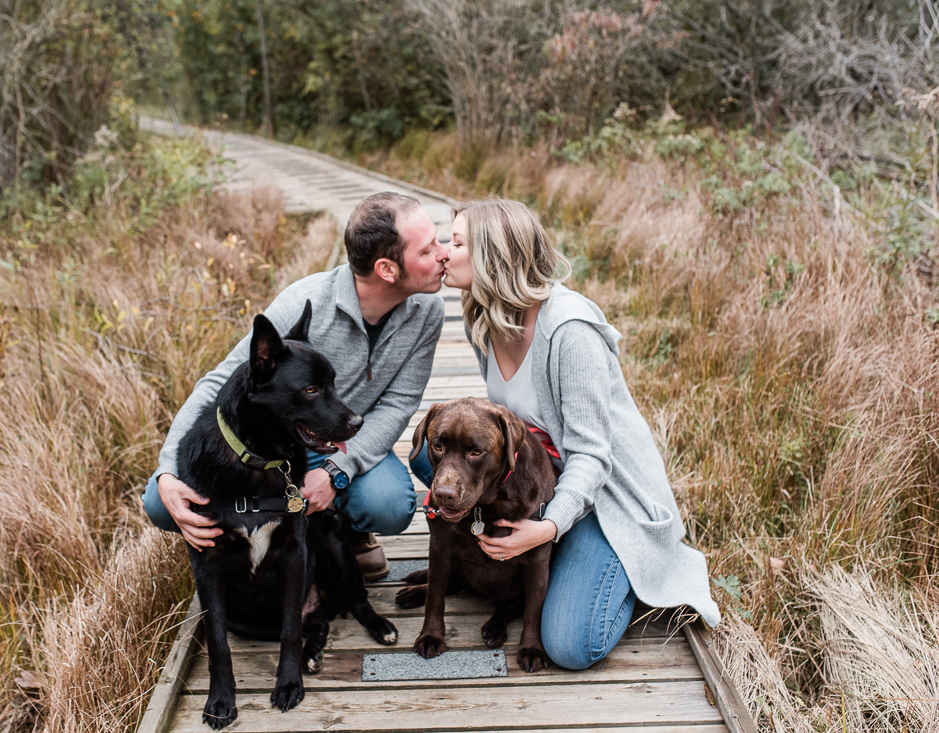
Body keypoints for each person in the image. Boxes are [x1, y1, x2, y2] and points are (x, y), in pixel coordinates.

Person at [410, 199, 720, 669]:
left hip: (606, 496)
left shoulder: (569, 331)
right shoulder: (485, 320)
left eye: (455, 243)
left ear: (493, 256)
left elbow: (593, 456)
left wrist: (548, 527)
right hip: (542, 471)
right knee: (426, 459)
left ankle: (620, 574)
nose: (443, 253)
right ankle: (491, 561)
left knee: (572, 645)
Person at [145, 192, 449, 579]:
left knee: (388, 506)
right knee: (159, 501)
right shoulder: (304, 301)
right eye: (429, 249)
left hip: (347, 439)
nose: (444, 253)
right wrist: (169, 468)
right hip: (283, 444)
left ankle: (348, 532)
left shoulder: (427, 312)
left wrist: (338, 471)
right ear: (387, 269)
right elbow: (219, 383)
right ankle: (239, 546)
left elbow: (398, 405)